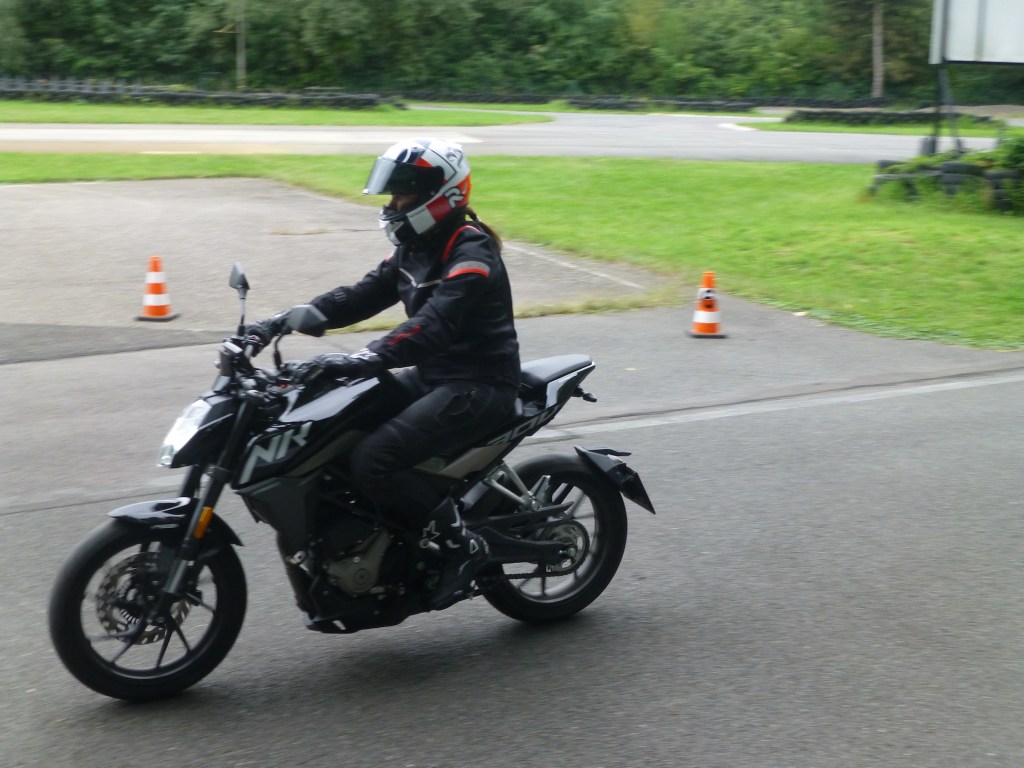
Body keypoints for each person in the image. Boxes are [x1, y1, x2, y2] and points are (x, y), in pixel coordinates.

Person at [245, 138, 520, 610]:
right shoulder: (415, 247)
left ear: (440, 195)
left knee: (375, 459)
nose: (393, 205)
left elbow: (433, 325)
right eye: (392, 194)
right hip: (433, 378)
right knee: (335, 424)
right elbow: (359, 296)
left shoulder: (470, 249)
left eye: (403, 194)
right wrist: (279, 322)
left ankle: (461, 545)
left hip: (479, 385)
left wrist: (367, 357)